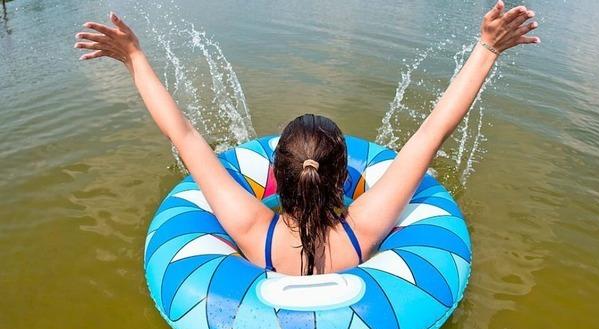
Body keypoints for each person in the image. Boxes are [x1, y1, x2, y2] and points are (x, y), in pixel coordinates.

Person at [74, 0, 539, 276]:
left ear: (275, 176)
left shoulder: (253, 229)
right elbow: (433, 130)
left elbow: (183, 133)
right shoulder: (364, 228)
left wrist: (133, 58)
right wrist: (487, 49)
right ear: (344, 177)